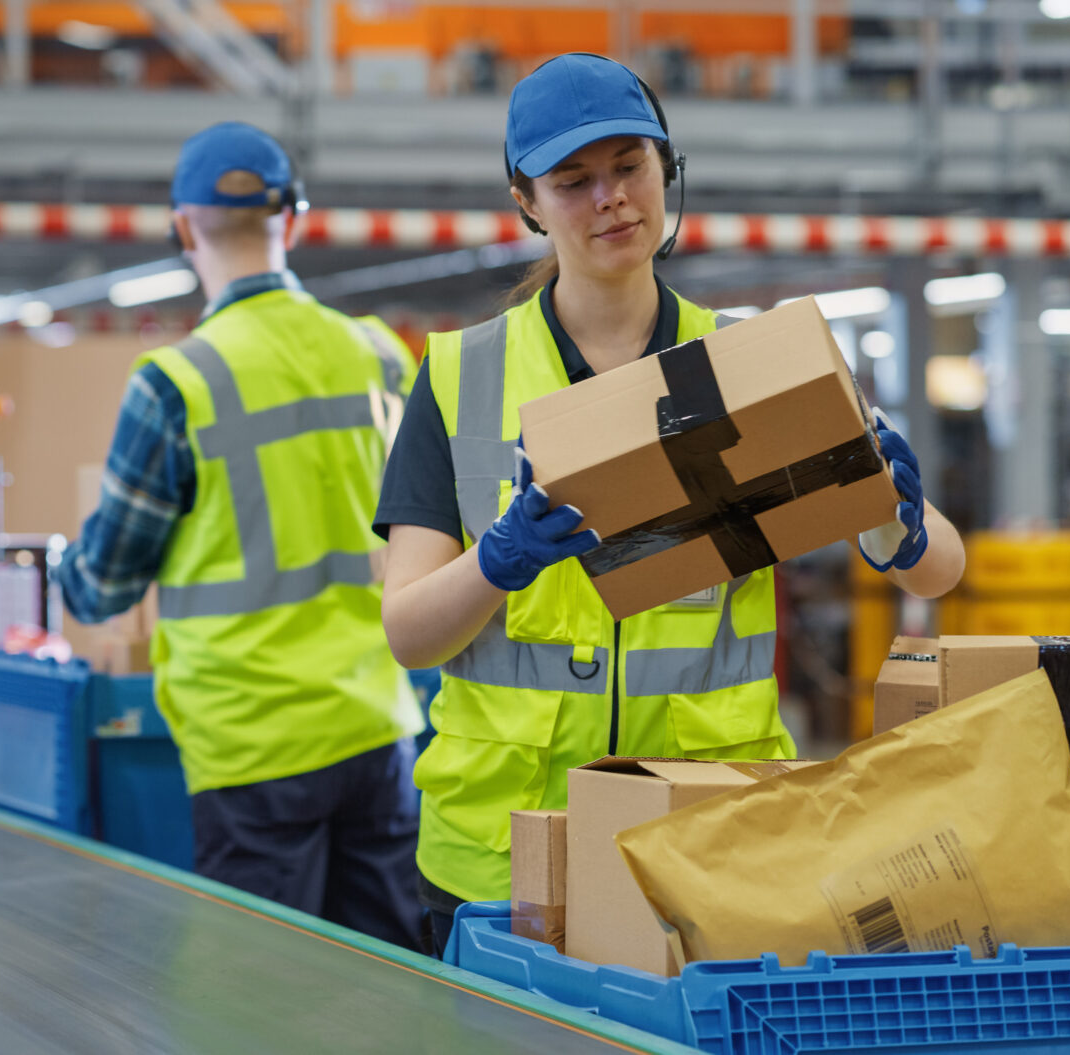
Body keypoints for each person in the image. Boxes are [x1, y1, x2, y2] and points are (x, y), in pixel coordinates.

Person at [371, 55, 967, 955]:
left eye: (629, 168)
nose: (609, 198)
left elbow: (942, 569)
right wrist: (496, 561)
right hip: (498, 855)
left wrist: (897, 517)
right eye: (573, 181)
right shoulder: (459, 379)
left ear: (667, 170)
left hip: (705, 833)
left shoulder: (749, 368)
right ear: (526, 200)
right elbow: (410, 631)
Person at [53, 123, 427, 950]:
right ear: (291, 219)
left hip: (252, 743)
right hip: (379, 728)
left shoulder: (176, 383)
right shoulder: (378, 355)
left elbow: (105, 582)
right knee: (396, 998)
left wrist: (59, 568)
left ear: (183, 229)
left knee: (258, 1005)